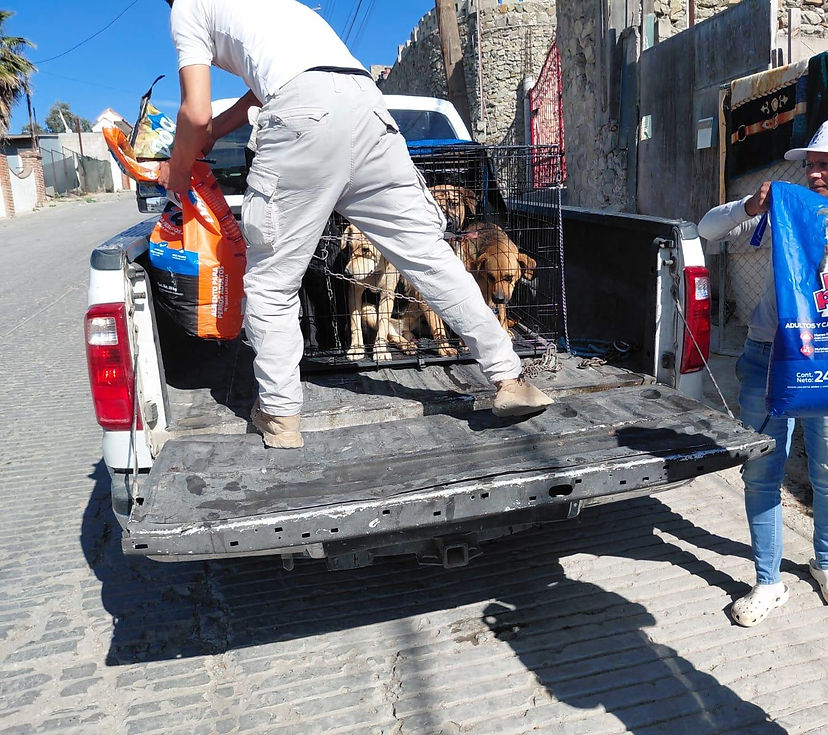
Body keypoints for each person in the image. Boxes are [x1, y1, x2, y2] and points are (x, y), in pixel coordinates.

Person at [158, 0, 553, 449]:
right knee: (430, 257)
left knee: (271, 283)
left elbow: (193, 111)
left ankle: (280, 414)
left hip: (302, 114)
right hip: (368, 109)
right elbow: (257, 93)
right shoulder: (279, 7)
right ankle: (509, 377)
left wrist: (178, 163)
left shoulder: (188, 6)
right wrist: (216, 130)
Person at [698, 119, 828, 627]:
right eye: (808, 164)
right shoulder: (785, 209)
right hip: (771, 357)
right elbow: (706, 228)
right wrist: (752, 206)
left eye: (824, 164)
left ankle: (826, 563)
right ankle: (768, 580)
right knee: (763, 470)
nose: (813, 172)